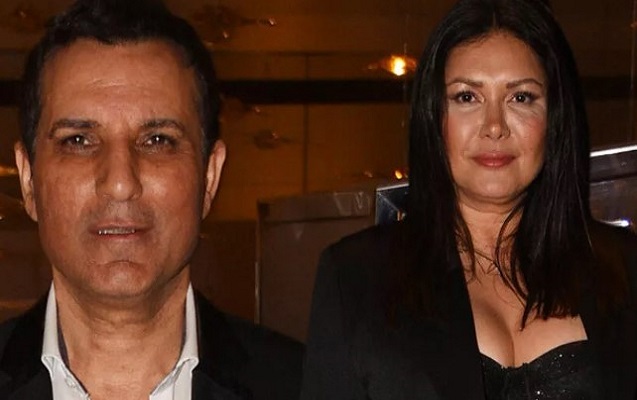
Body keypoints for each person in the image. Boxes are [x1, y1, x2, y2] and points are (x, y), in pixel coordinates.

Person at [300, 0, 637, 399]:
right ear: (434, 117)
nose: (494, 126)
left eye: (521, 97)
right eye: (466, 97)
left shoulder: (624, 268)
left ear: (555, 119)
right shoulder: (358, 276)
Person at [0, 0, 303, 399]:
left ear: (209, 177)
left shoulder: (309, 385)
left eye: (158, 140)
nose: (120, 183)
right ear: (28, 180)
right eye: (79, 141)